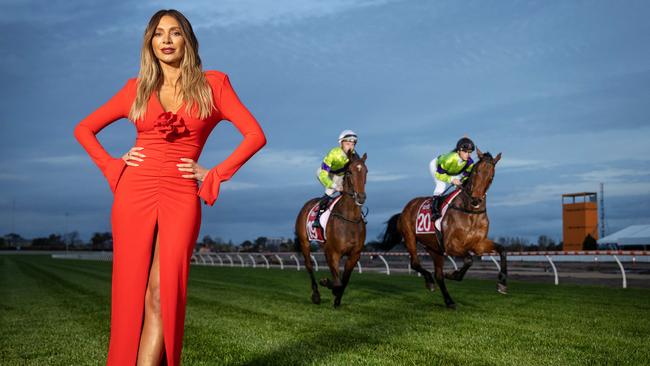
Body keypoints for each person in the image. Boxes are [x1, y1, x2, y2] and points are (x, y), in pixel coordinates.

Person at [73, 9, 266, 366]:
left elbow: (255, 136)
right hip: (134, 193)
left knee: (162, 294)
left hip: (181, 194)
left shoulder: (214, 85)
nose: (165, 40)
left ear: (187, 40)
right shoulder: (136, 89)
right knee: (131, 295)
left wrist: (214, 174)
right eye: (158, 33)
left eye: (174, 32)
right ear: (150, 42)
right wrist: (114, 165)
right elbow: (84, 129)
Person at [313, 130, 358, 229]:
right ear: (341, 143)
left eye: (352, 144)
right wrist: (334, 185)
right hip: (326, 174)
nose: (350, 147)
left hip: (341, 175)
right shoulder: (333, 153)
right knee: (330, 192)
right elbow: (323, 174)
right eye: (347, 144)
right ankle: (317, 218)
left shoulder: (354, 155)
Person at [428, 137, 475, 218]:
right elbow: (439, 175)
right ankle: (434, 210)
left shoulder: (470, 162)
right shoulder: (449, 159)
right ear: (458, 151)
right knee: (441, 185)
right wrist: (452, 180)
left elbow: (465, 176)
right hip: (436, 167)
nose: (468, 154)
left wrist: (461, 181)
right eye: (465, 151)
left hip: (453, 171)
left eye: (470, 152)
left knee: (460, 187)